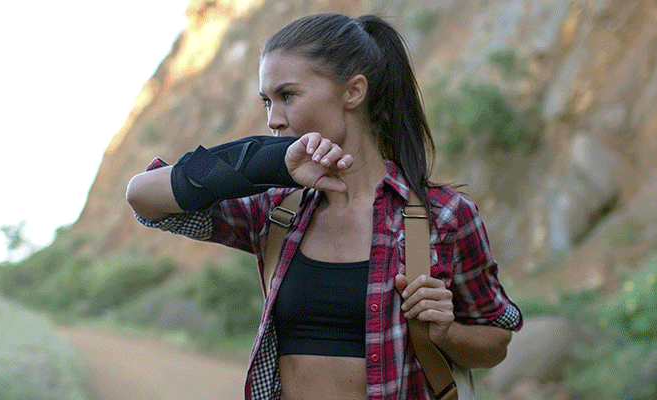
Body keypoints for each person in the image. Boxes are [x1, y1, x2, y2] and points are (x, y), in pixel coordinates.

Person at [126, 13, 522, 400]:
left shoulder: (445, 216)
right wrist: (265, 162)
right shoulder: (277, 210)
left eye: (287, 96)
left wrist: (446, 332)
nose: (273, 120)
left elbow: (496, 343)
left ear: (353, 92)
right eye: (266, 102)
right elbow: (144, 196)